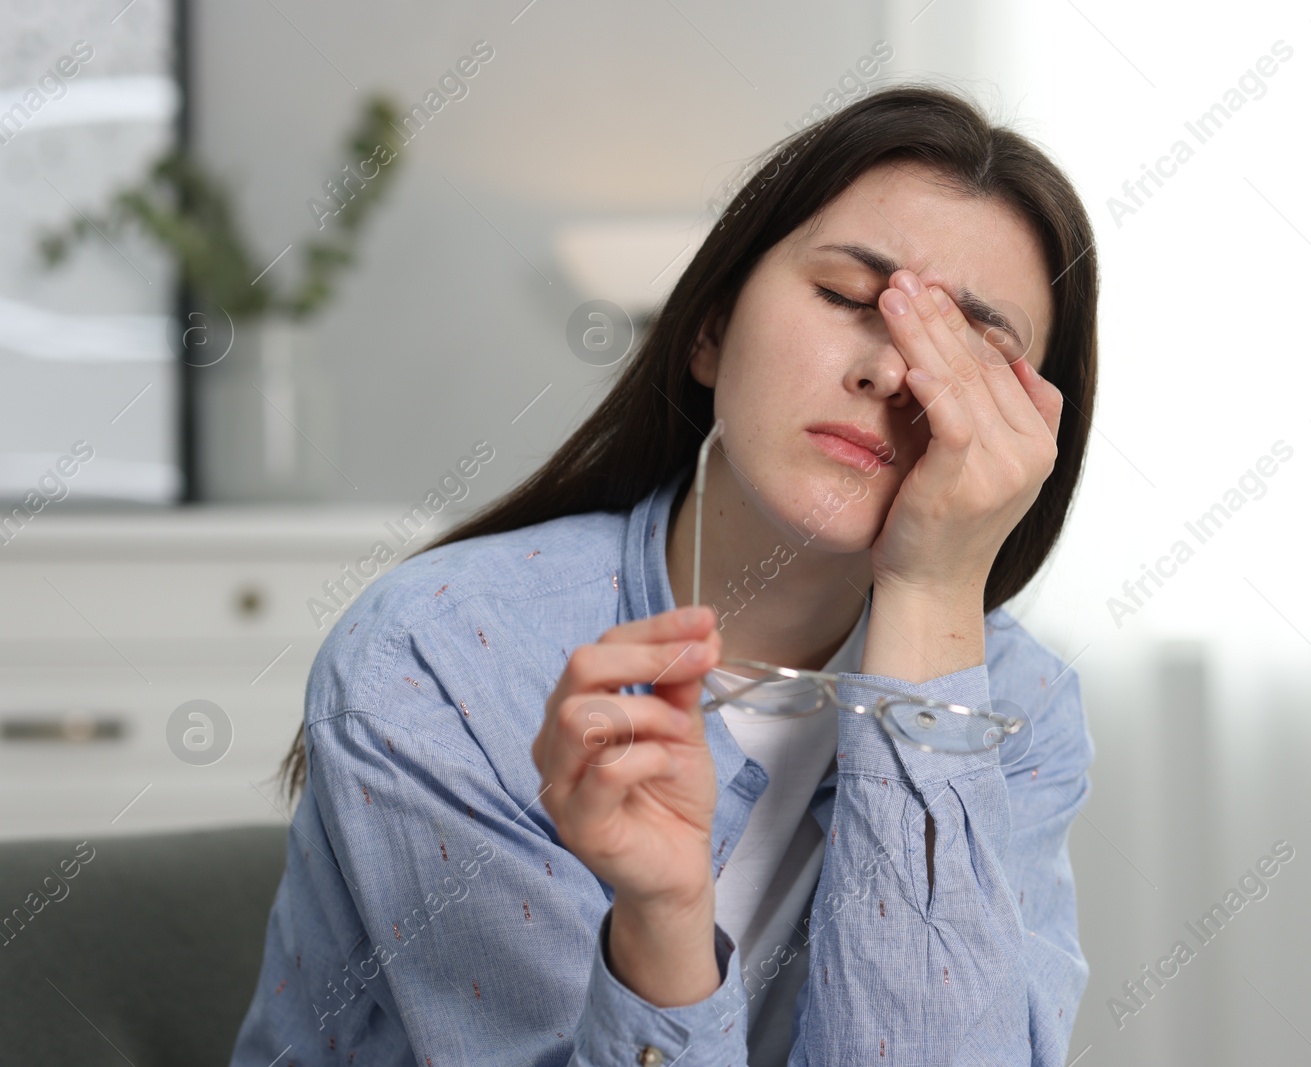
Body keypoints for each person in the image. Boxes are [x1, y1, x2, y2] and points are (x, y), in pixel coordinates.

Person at [231, 82, 1100, 1067]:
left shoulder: (1020, 709)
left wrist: (932, 595)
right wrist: (662, 927)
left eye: (971, 356)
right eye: (851, 300)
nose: (894, 374)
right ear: (708, 328)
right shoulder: (439, 655)